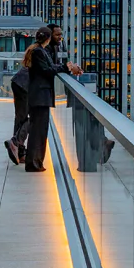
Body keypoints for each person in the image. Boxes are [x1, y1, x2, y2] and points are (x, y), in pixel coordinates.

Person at [6, 23, 68, 165]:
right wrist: (66, 67)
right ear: (49, 36)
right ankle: (16, 143)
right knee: (32, 118)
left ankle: (18, 149)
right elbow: (50, 69)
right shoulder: (43, 50)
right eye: (57, 35)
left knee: (22, 118)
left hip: (21, 83)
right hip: (26, 85)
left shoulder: (43, 48)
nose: (60, 37)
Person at [23, 26, 80, 172]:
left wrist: (63, 66)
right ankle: (34, 163)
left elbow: (50, 67)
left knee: (39, 130)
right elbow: (47, 71)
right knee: (38, 131)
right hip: (40, 96)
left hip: (40, 96)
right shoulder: (39, 52)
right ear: (48, 38)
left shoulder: (38, 51)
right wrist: (66, 68)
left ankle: (35, 162)